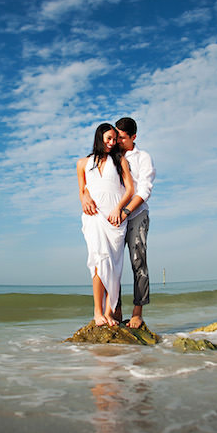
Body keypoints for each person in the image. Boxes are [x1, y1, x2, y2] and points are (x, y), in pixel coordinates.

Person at [81, 117, 155, 329]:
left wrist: (125, 211)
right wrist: (85, 194)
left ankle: (137, 313)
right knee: (111, 263)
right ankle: (115, 310)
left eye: (122, 138)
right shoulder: (109, 156)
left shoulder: (143, 158)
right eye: (115, 137)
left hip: (135, 214)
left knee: (138, 261)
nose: (118, 141)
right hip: (110, 218)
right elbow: (95, 182)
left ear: (133, 137)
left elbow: (143, 190)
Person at [77, 123, 134, 326]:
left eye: (114, 139)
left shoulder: (120, 160)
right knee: (98, 262)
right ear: (99, 137)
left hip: (115, 220)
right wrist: (84, 198)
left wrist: (118, 208)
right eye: (108, 138)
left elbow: (130, 190)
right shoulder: (83, 163)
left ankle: (109, 313)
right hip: (94, 218)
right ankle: (97, 312)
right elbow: (82, 190)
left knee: (114, 267)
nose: (111, 143)